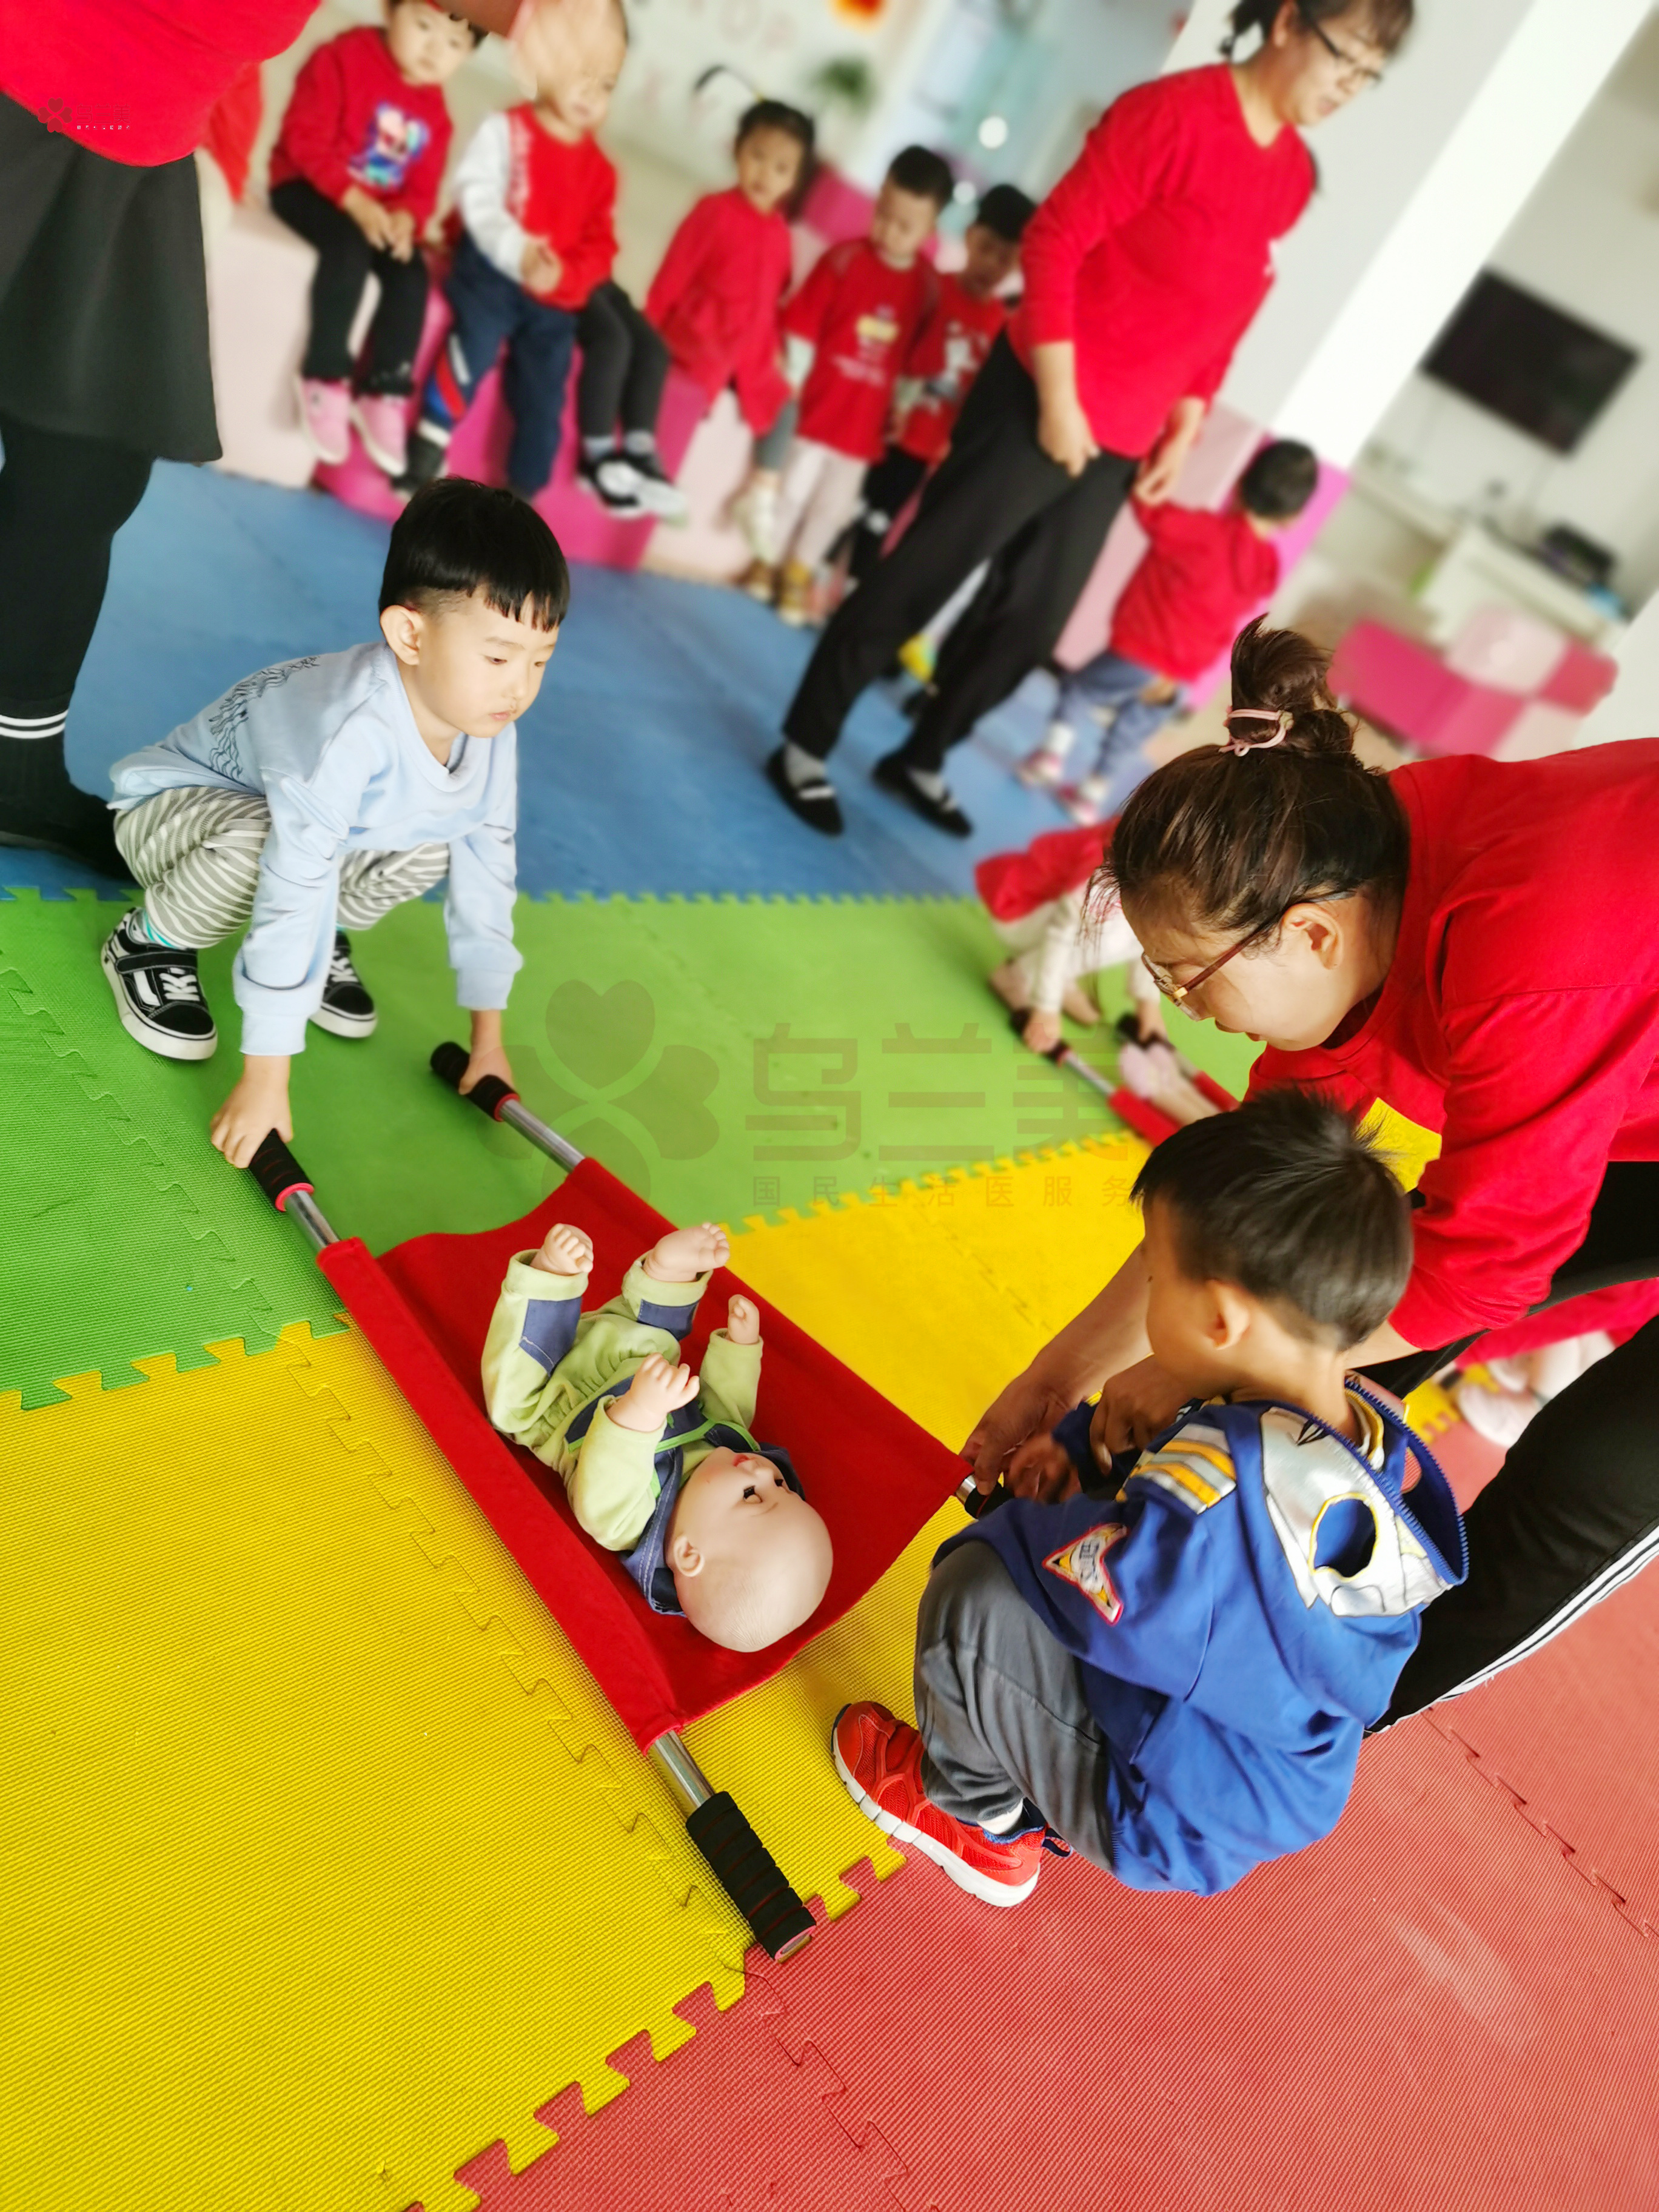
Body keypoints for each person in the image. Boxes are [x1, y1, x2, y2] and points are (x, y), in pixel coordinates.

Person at [961, 616, 1659, 1729]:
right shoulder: (1361, 860)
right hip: (1628, 1099)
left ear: (1309, 935)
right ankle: (1155, 1630)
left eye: (1188, 976)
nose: (1184, 1008)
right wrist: (1064, 1373)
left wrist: (1186, 1368)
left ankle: (1272, 1744)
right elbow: (1241, 1219)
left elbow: (1485, 1267)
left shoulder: (1520, 948)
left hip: (1577, 1001)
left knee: (1582, 1483)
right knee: (1323, 1321)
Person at [0, 0, 625, 876]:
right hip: (24, 92)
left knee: (83, 477)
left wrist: (528, 14)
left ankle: (16, 770)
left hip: (136, 146)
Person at [764, 0, 1407, 843]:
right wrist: (1061, 403)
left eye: (1370, 76)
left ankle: (922, 755)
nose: (1350, 87)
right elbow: (1054, 243)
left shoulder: (1289, 177)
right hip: (1039, 392)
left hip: (1123, 437)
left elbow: (1226, 310)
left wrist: (1185, 420)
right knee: (925, 573)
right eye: (1344, 58)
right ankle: (804, 743)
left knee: (1031, 623)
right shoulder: (1170, 114)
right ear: (1289, 21)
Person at [833, 1090, 1464, 1906]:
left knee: (975, 1589)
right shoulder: (1361, 1433)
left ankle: (980, 1821)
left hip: (1154, 1805)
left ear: (1221, 1320)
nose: (1151, 1292)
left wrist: (1028, 1516)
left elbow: (1105, 1588)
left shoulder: (1217, 1487)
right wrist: (1078, 1452)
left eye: (1158, 1278)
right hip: (1230, 1767)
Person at [99, 480, 565, 1168]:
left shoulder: (489, 727)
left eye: (541, 659)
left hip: (305, 836)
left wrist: (488, 1041)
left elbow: (488, 871)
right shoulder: (348, 729)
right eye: (498, 658)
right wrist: (266, 1080)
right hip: (171, 816)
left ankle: (325, 941)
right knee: (273, 844)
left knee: (440, 843)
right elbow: (295, 876)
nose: (519, 687)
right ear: (410, 635)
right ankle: (149, 940)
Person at [482, 1218, 834, 1651]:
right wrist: (740, 1350)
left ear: (688, 1553)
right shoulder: (725, 1452)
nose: (762, 1471)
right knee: (658, 1337)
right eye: (781, 1484)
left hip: (551, 1400)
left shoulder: (626, 1523)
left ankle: (550, 1276)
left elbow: (609, 1471)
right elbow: (730, 1404)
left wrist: (644, 1409)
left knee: (509, 1401)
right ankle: (670, 1271)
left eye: (752, 1496)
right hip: (629, 1351)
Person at [401, 4, 671, 512]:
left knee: (547, 387)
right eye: (580, 72)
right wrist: (518, 251)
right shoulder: (506, 129)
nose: (591, 93)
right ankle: (429, 441)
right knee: (474, 342)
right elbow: (477, 197)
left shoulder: (602, 171)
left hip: (551, 295)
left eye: (606, 83)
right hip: (490, 273)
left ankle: (522, 495)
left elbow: (601, 247)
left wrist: (563, 276)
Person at [1018, 437, 1319, 824]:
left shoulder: (1199, 529)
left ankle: (1050, 756)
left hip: (1139, 654)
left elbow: (1148, 507)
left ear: (1240, 482)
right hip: (1181, 677)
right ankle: (1090, 794)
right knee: (1131, 732)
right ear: (1293, 518)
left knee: (1080, 690)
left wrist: (1153, 457)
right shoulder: (1264, 567)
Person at [269, 0, 484, 481]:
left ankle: (384, 390)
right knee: (347, 251)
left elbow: (422, 191)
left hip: (377, 214)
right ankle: (324, 374)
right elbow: (304, 139)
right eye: (424, 26)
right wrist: (357, 203)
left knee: (410, 275)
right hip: (305, 187)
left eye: (454, 43)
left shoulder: (438, 115)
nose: (435, 49)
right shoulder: (342, 57)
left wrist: (406, 219)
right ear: (390, 9)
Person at [751, 146, 953, 628]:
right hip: (816, 412)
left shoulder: (928, 288)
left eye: (906, 225)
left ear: (931, 229)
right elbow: (802, 326)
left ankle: (798, 572)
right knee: (791, 490)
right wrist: (793, 381)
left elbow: (920, 362)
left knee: (833, 509)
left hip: (864, 431)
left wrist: (903, 406)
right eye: (884, 214)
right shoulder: (843, 260)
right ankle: (766, 558)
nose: (889, 230)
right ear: (878, 198)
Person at [838, 185, 1036, 590]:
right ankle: (818, 569)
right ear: (969, 236)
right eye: (986, 248)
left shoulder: (1002, 327)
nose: (991, 264)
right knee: (849, 503)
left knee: (884, 517)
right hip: (883, 423)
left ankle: (851, 587)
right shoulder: (930, 287)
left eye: (1005, 257)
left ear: (1018, 263)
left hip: (930, 444)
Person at [646, 99, 814, 461]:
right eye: (758, 155)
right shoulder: (714, 210)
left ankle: (763, 483)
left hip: (752, 355)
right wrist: (646, 332)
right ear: (738, 148)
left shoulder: (782, 235)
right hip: (699, 344)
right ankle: (660, 461)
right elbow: (672, 277)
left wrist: (776, 353)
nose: (765, 174)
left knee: (787, 408)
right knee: (686, 406)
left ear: (794, 179)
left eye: (781, 168)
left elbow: (773, 303)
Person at [974, 819, 1165, 1055]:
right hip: (1021, 909)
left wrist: (1147, 1002)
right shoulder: (1109, 867)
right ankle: (1017, 977)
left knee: (1152, 923)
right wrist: (1046, 1008)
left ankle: (1058, 977)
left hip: (1056, 910)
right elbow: (1061, 932)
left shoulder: (1150, 853)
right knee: (1113, 931)